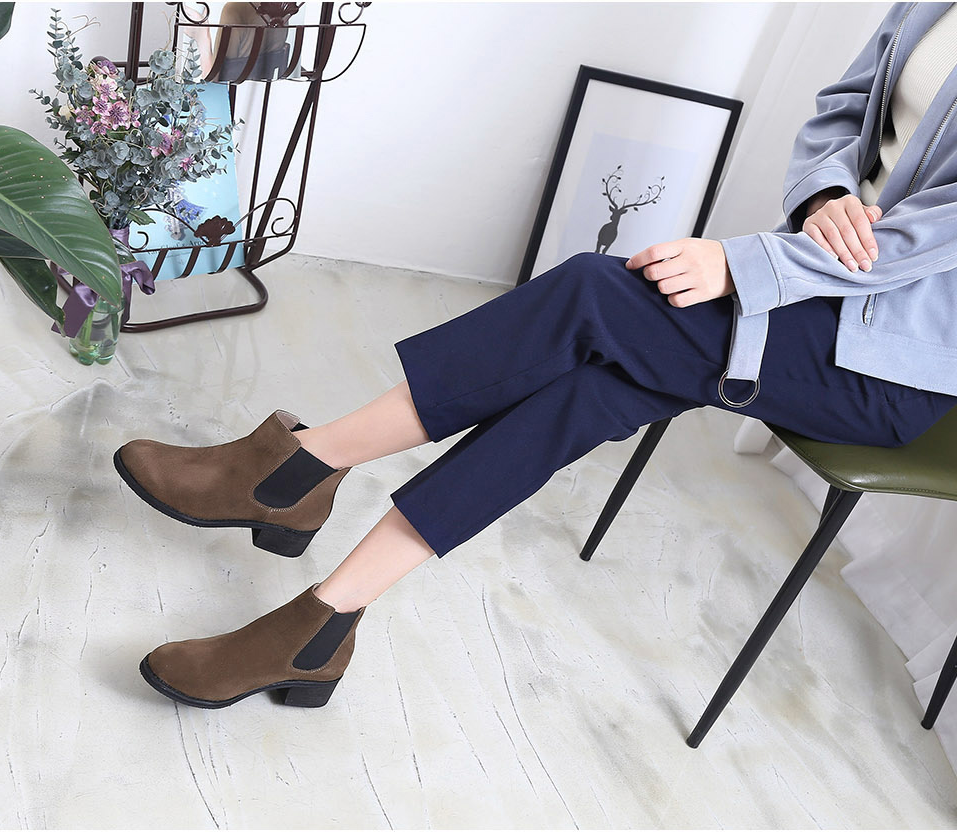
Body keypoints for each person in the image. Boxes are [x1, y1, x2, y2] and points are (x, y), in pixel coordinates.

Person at [117, 2, 957, 710]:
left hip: (885, 362)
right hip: (813, 282)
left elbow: (937, 233)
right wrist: (826, 193)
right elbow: (847, 105)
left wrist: (746, 265)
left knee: (592, 294)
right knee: (588, 386)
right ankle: (321, 623)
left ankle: (298, 473)